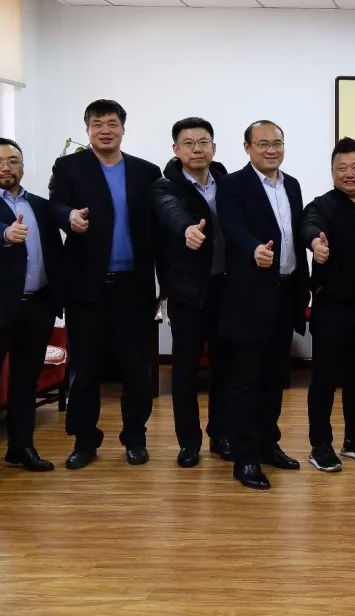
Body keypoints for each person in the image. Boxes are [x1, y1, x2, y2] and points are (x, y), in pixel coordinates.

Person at [48, 99, 161, 470]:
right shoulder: (69, 166)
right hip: (87, 287)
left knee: (137, 369)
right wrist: (69, 216)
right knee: (84, 370)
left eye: (112, 123)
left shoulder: (146, 172)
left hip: (134, 287)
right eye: (97, 124)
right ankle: (84, 441)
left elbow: (160, 224)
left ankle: (135, 438)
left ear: (123, 128)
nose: (105, 130)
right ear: (87, 130)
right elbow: (55, 205)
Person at [0, 138, 64, 487]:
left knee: (25, 382)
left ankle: (21, 447)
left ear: (22, 166)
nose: (6, 167)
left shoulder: (40, 206)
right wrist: (6, 232)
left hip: (37, 307)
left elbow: (55, 249)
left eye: (13, 160)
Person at [217, 120, 309, 489]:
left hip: (285, 294)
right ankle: (246, 459)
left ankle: (269, 445)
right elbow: (233, 226)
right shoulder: (232, 185)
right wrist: (253, 248)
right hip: (249, 297)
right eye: (263, 144)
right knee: (247, 380)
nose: (271, 150)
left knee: (274, 378)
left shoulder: (293, 185)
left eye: (277, 143)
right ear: (247, 147)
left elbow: (295, 232)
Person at [301, 138, 355, 473]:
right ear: (332, 172)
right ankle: (320, 444)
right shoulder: (322, 205)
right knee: (324, 379)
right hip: (331, 308)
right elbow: (309, 225)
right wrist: (315, 243)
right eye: (342, 168)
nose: (349, 174)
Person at [152, 117, 230, 468]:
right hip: (187, 293)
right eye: (188, 143)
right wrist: (186, 229)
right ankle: (189, 442)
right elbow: (171, 213)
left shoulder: (227, 184)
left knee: (224, 369)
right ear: (176, 149)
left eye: (203, 142)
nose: (197, 149)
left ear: (213, 147)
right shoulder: (165, 187)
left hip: (226, 290)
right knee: (184, 372)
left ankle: (221, 435)